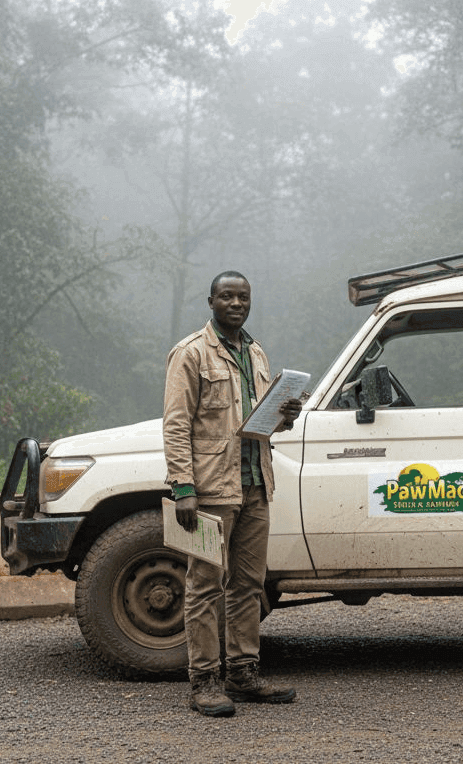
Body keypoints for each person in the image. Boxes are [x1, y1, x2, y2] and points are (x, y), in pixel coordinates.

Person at [162, 270, 303, 717]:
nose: (236, 303)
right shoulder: (190, 353)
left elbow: (258, 422)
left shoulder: (256, 353)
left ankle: (242, 675)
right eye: (227, 296)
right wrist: (183, 487)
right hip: (210, 488)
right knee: (205, 585)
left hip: (256, 484)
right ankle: (203, 681)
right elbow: (177, 423)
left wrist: (288, 415)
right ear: (211, 302)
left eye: (243, 296)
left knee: (248, 584)